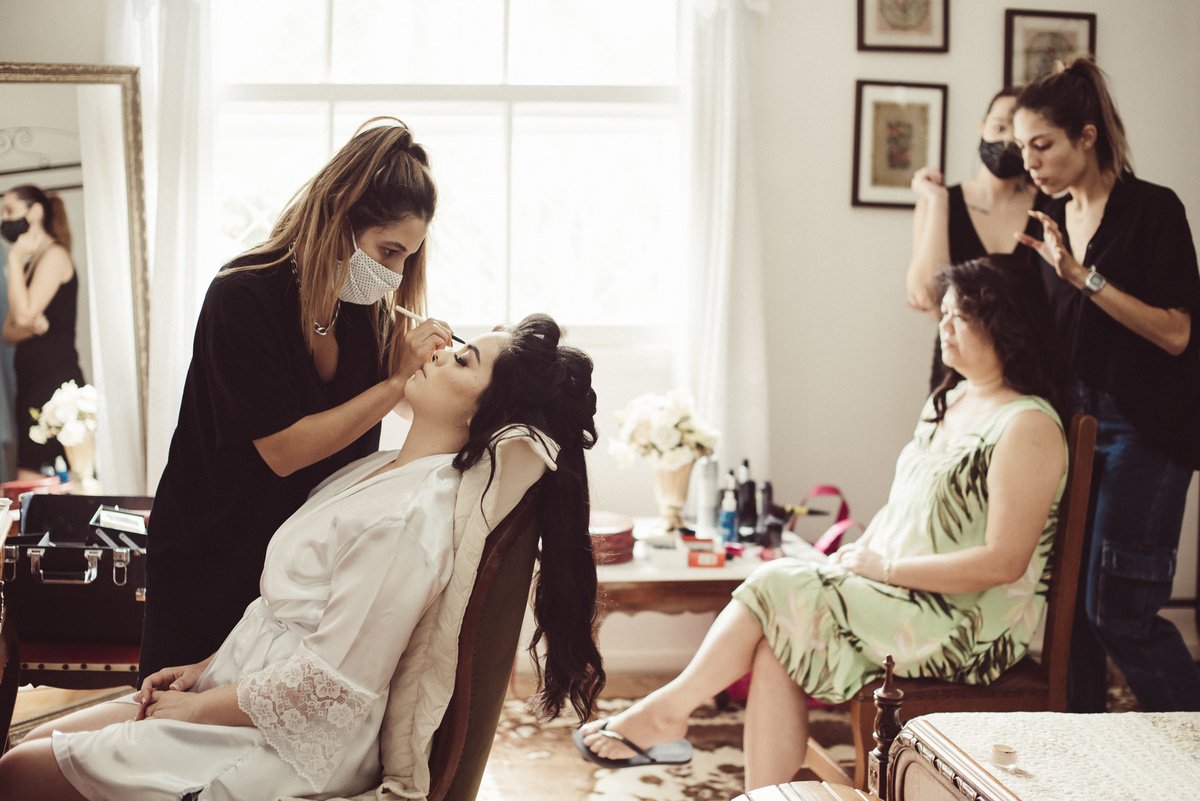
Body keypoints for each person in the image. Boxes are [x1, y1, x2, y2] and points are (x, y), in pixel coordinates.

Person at [0, 313, 607, 800]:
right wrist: (201, 669)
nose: (442, 351)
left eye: (465, 360)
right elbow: (294, 615)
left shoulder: (408, 519)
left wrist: (196, 707)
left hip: (289, 748)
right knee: (25, 751)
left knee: (20, 772)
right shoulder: (382, 469)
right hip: (241, 686)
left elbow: (331, 687)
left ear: (484, 411)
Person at [577, 255, 1073, 791]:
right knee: (778, 640)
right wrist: (853, 564)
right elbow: (904, 507)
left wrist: (885, 569)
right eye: (944, 314)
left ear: (1004, 326)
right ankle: (767, 796)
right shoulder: (949, 399)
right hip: (903, 593)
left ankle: (667, 712)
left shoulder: (1027, 425)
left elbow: (1004, 562)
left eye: (961, 317)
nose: (944, 328)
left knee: (777, 583)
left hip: (966, 625)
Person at [139, 117, 457, 680]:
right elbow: (284, 451)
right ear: (339, 218)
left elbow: (412, 401)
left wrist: (456, 375)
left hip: (298, 566)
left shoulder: (364, 309)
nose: (394, 274)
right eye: (388, 251)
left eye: (407, 257)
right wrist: (393, 384)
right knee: (175, 711)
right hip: (214, 552)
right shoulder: (242, 296)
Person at [1012, 56, 1200, 713]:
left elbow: (1176, 333)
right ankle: (1085, 748)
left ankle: (1190, 736)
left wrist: (1082, 277)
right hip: (1075, 426)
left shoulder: (1153, 210)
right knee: (1072, 617)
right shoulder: (1046, 215)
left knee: (1118, 611)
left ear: (1086, 137)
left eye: (1042, 145)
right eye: (1023, 148)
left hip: (1146, 430)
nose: (1031, 162)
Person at [908, 88, 1040, 393]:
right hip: (956, 372)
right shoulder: (941, 202)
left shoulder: (1048, 209)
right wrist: (938, 202)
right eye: (999, 127)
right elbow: (927, 295)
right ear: (981, 128)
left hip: (1028, 373)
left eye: (1018, 133)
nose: (1006, 141)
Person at [1, 185, 87, 478]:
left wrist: (13, 259)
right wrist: (29, 328)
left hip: (55, 387)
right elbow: (8, 333)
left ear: (35, 212)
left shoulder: (54, 255)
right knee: (31, 477)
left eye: (10, 210)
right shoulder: (30, 265)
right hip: (31, 385)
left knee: (57, 477)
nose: (4, 219)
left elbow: (22, 315)